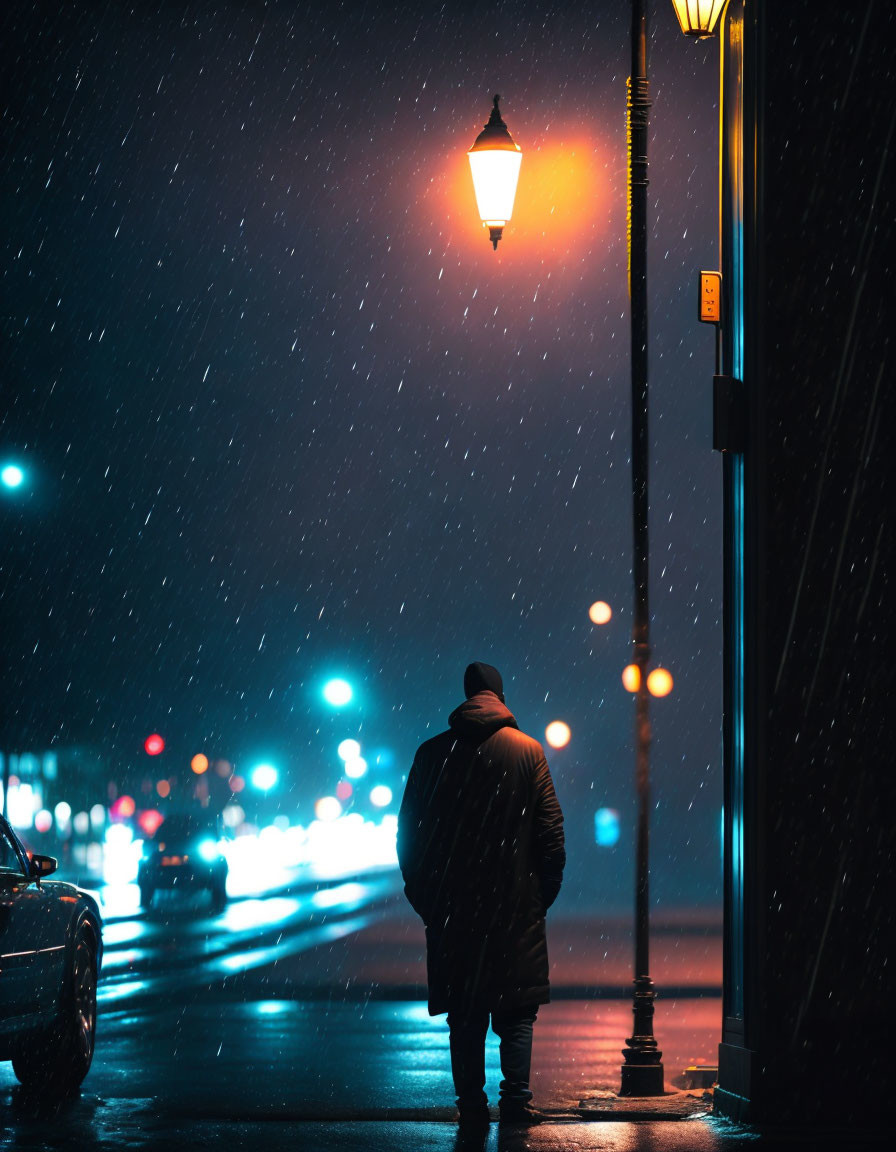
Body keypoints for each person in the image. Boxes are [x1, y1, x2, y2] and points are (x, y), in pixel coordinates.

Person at [397, 662, 565, 1127]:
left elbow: (408, 836)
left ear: (466, 695)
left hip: (454, 911)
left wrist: (430, 902)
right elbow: (551, 835)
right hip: (515, 909)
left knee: (466, 1016)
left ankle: (470, 1104)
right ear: (500, 695)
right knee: (515, 1013)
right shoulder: (528, 752)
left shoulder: (432, 754)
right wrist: (536, 899)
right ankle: (516, 1100)